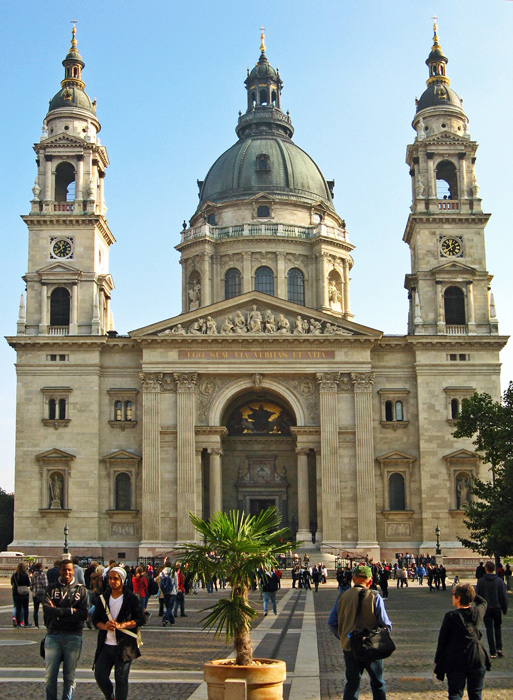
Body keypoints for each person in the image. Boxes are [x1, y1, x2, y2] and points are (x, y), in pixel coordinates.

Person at [328, 564, 392, 700]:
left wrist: (344, 636)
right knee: (378, 683)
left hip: (350, 647)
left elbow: (332, 623)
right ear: (370, 581)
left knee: (352, 684)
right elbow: (386, 624)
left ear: (353, 578)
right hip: (372, 648)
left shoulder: (342, 597)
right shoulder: (374, 596)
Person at [92, 566, 146, 700]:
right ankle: (111, 697)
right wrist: (105, 626)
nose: (112, 581)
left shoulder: (131, 598)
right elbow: (95, 620)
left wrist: (122, 625)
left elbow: (140, 619)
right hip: (106, 644)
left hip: (125, 645)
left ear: (122, 580)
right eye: (110, 578)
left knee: (121, 678)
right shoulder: (103, 598)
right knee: (100, 674)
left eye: (115, 579)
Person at [434, 582, 490, 700]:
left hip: (456, 659)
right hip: (477, 657)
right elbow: (483, 602)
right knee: (475, 693)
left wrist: (437, 661)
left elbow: (442, 641)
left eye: (454, 595)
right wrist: (470, 594)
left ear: (458, 598)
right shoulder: (477, 613)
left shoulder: (450, 616)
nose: (452, 597)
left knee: (455, 693)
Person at [43, 559, 89, 700]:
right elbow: (47, 610)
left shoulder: (81, 590)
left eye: (69, 570)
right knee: (50, 675)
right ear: (59, 570)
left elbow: (83, 614)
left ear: (73, 571)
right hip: (53, 635)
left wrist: (57, 612)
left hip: (73, 635)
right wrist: (70, 611)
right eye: (64, 569)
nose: (67, 572)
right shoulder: (51, 588)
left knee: (69, 676)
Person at [475, 560, 508, 658]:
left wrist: (478, 609)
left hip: (486, 609)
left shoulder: (481, 581)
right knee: (498, 628)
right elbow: (503, 596)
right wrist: (504, 608)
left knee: (489, 629)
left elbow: (477, 596)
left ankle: (492, 652)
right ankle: (499, 648)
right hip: (497, 607)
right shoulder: (499, 581)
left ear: (486, 569)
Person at [11, 561, 31, 627]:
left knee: (18, 608)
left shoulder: (14, 575)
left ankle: (18, 623)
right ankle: (26, 622)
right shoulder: (25, 575)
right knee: (25, 608)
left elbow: (12, 583)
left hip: (16, 593)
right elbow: (28, 584)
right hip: (25, 593)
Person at [30, 561, 48, 628]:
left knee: (35, 609)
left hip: (35, 593)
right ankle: (45, 623)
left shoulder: (34, 574)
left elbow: (31, 585)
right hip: (42, 593)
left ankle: (36, 625)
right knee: (45, 609)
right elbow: (45, 585)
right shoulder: (43, 574)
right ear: (41, 567)